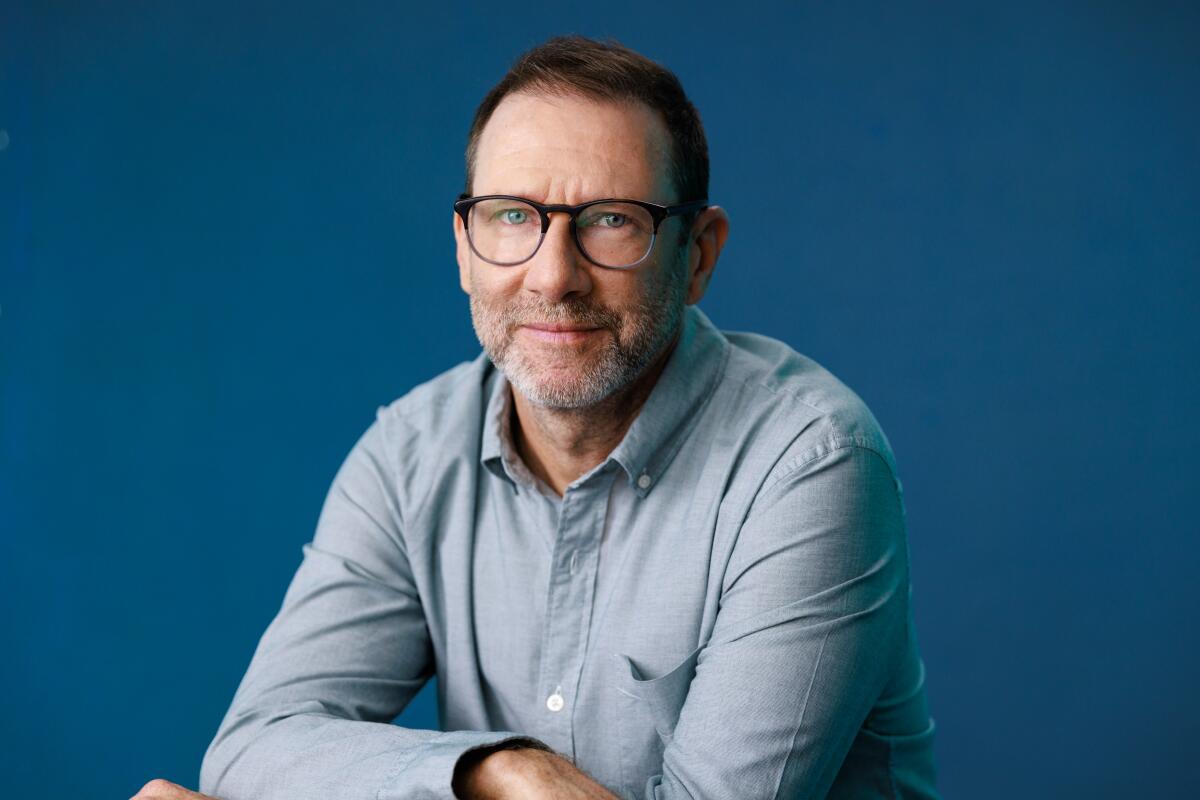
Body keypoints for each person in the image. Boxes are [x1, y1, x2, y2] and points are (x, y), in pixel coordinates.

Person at [134, 35, 939, 800]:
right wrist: (496, 773)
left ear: (697, 255)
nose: (553, 277)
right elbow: (256, 745)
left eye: (612, 219)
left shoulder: (811, 464)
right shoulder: (410, 455)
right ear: (462, 246)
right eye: (512, 217)